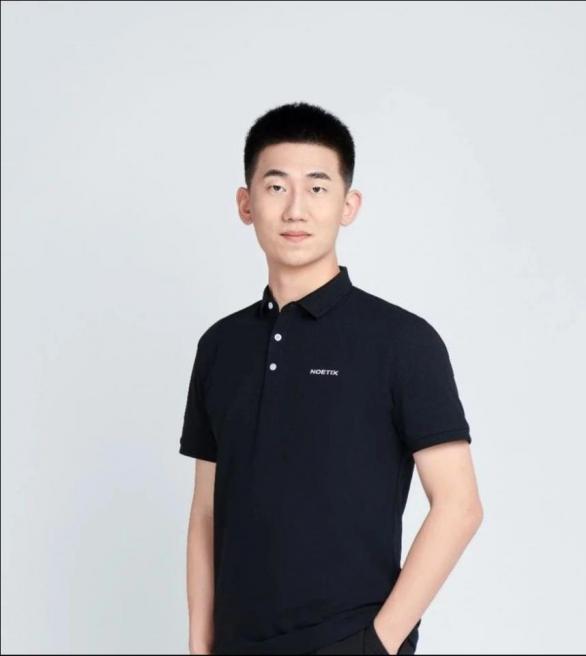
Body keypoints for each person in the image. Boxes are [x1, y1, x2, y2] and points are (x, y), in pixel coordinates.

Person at [179, 102, 483, 655]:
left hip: (349, 640)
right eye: (276, 187)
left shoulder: (402, 341)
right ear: (246, 204)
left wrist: (376, 644)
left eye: (317, 188)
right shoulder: (220, 346)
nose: (296, 208)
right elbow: (206, 512)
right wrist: (200, 645)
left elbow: (459, 505)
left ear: (348, 205)